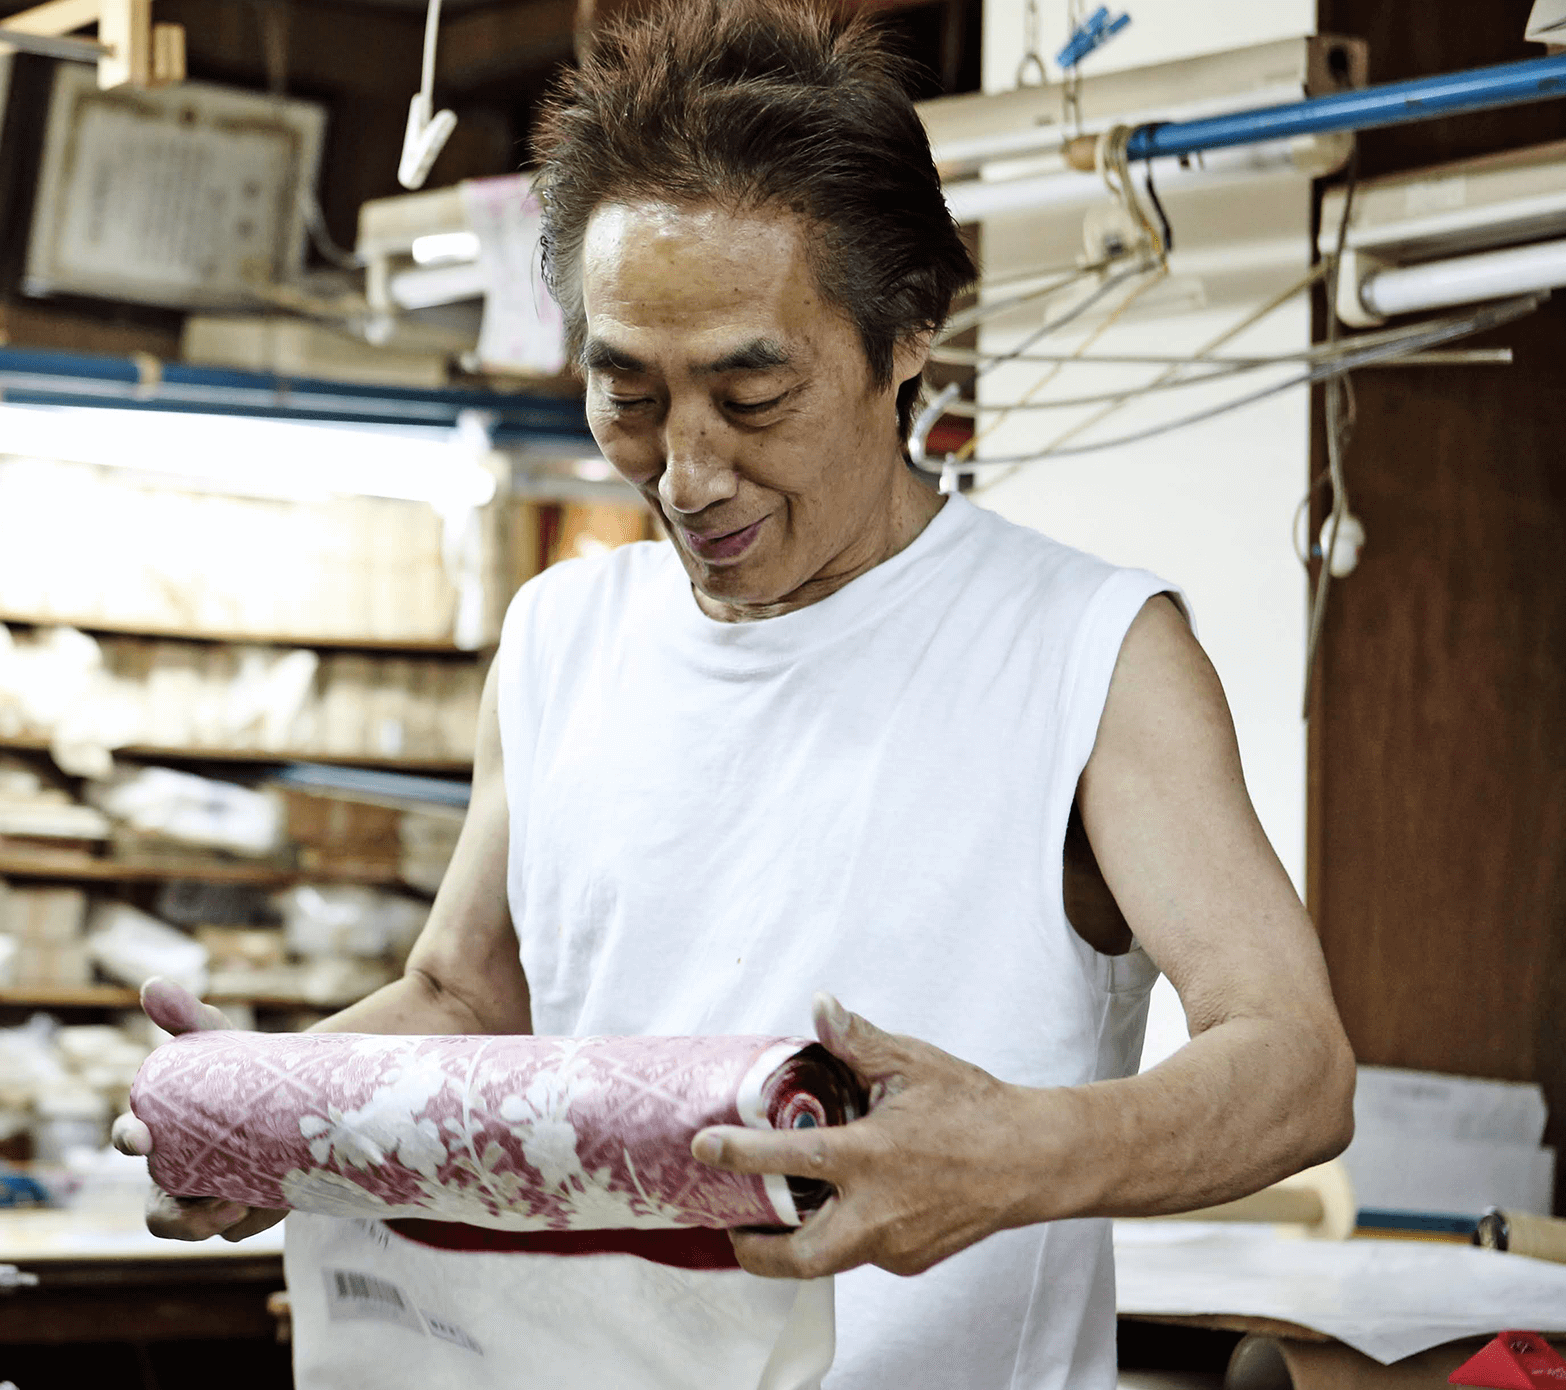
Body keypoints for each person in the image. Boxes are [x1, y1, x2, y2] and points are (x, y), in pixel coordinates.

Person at [112, 2, 1357, 1385]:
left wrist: (1028, 1151)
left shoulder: (1086, 649)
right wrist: (266, 1109)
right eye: (628, 393)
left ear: (907, 341)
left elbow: (1295, 1062)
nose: (685, 470)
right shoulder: (561, 636)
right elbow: (462, 998)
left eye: (750, 395)